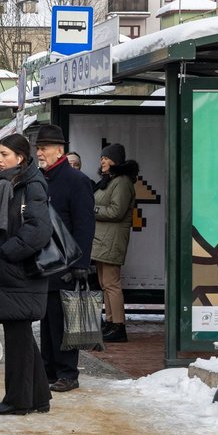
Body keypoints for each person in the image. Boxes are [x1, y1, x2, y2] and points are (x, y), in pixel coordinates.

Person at [0, 135, 53, 415]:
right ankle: (38, 397)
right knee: (21, 334)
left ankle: (17, 400)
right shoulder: (7, 183)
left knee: (18, 337)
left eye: (4, 154)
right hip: (14, 273)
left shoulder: (31, 184)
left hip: (22, 271)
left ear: (20, 157)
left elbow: (39, 230)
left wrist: (6, 253)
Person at [34, 124, 95, 393]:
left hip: (67, 263)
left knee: (64, 320)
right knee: (47, 320)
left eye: (44, 148)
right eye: (38, 148)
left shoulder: (76, 181)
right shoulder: (41, 178)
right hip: (45, 261)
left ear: (59, 150)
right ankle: (49, 369)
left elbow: (85, 225)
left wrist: (81, 264)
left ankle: (68, 373)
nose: (39, 153)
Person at [92, 143, 139, 343]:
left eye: (107, 158)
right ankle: (111, 323)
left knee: (111, 283)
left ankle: (118, 326)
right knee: (105, 283)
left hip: (112, 240)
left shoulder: (121, 182)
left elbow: (116, 211)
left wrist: (92, 210)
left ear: (116, 161)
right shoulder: (110, 181)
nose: (102, 161)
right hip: (103, 239)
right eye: (102, 157)